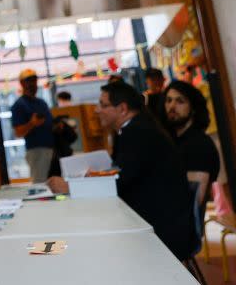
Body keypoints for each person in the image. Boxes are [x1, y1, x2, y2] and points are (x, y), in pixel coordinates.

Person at [47, 81, 194, 260]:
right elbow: (122, 176)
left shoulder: (138, 132)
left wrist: (70, 187)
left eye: (103, 105)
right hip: (153, 221)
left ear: (123, 109)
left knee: (81, 245)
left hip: (161, 232)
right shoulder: (134, 129)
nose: (96, 110)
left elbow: (117, 183)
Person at [165, 80, 220, 211]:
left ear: (193, 108)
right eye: (169, 100)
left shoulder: (199, 144)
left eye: (180, 101)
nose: (172, 106)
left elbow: (192, 200)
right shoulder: (173, 139)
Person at [11, 69, 54, 183]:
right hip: (36, 150)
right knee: (40, 183)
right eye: (28, 81)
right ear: (22, 83)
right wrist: (32, 124)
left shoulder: (41, 102)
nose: (32, 84)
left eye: (34, 80)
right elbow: (18, 132)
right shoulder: (19, 105)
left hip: (51, 148)